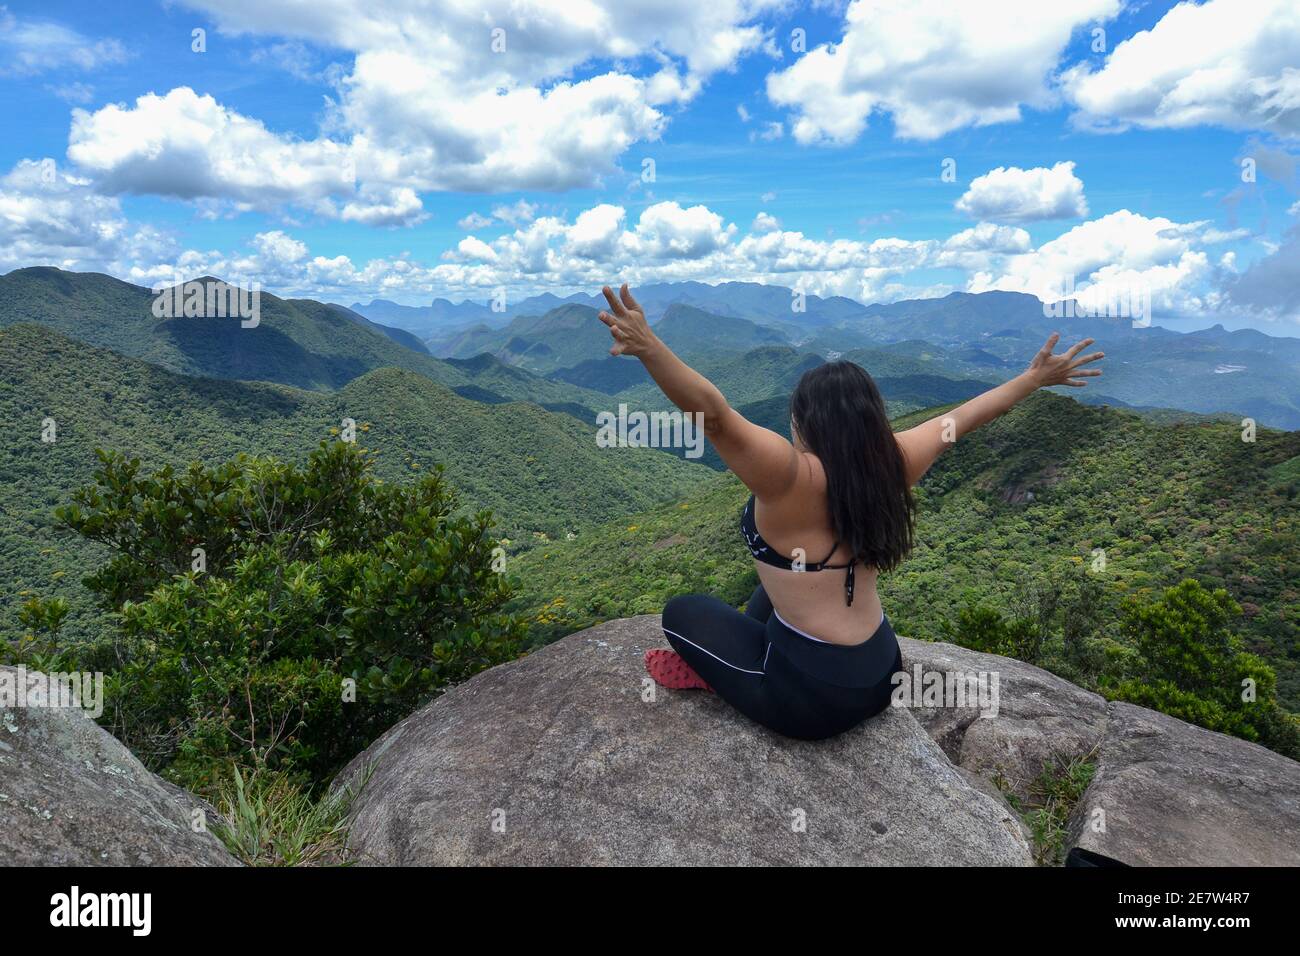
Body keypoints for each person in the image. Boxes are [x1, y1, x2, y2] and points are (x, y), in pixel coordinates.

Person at [597, 283, 1105, 740]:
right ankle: (747, 661)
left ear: (803, 421)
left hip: (815, 700)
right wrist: (1034, 378)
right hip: (883, 670)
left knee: (682, 612)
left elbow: (715, 415)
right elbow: (965, 416)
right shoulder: (895, 460)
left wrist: (650, 348)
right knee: (765, 592)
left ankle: (728, 678)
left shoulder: (788, 476)